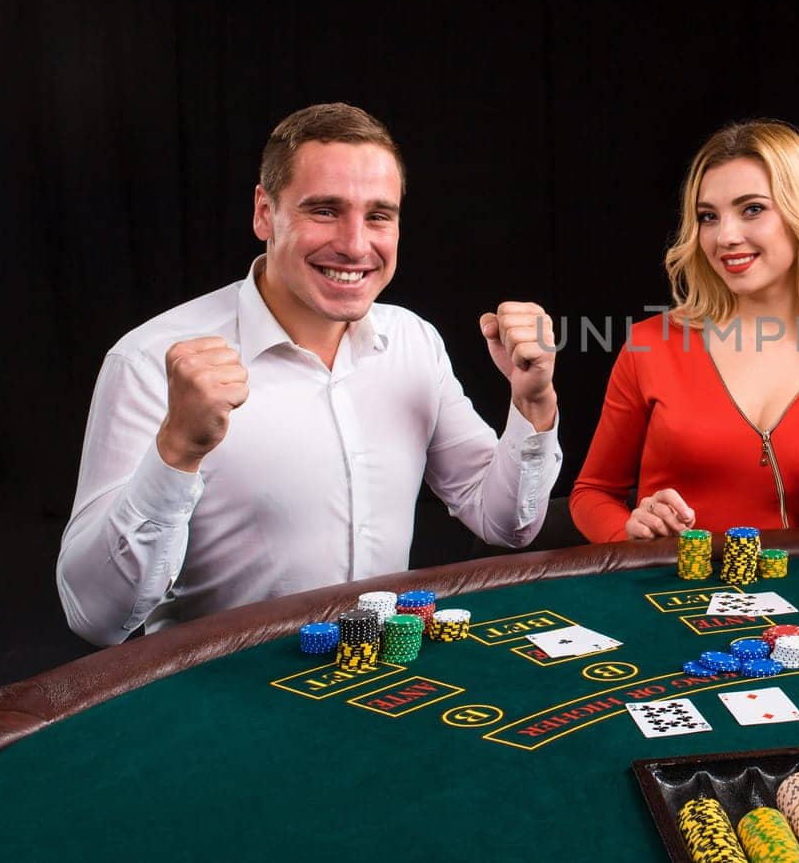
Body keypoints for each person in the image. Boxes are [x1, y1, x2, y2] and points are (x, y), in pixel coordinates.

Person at [58, 103, 562, 645]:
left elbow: (506, 523)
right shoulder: (148, 360)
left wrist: (531, 405)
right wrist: (176, 451)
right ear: (263, 213)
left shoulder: (414, 342)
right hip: (220, 697)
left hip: (382, 679)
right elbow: (96, 619)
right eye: (324, 210)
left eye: (378, 216)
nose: (354, 244)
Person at [569, 120, 799, 542]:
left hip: (789, 594)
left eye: (752, 209)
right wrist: (626, 533)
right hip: (662, 594)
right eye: (708, 217)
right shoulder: (652, 344)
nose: (726, 236)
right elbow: (591, 492)